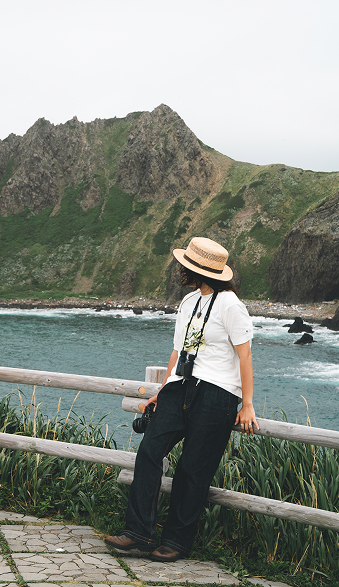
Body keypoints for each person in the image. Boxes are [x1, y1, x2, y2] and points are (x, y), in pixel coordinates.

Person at [106, 236, 259, 562]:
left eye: (186, 267)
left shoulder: (232, 306)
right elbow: (181, 351)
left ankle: (176, 542)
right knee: (149, 451)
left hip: (218, 394)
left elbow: (245, 356)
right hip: (180, 388)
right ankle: (137, 534)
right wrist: (161, 392)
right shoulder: (190, 302)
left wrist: (247, 404)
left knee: (193, 469)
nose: (180, 271)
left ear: (202, 271)